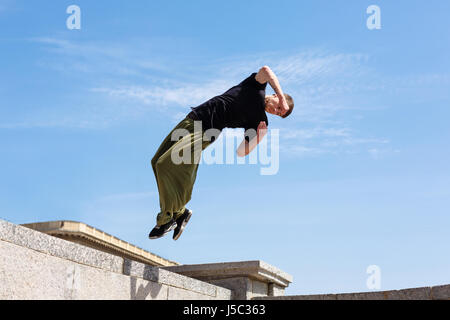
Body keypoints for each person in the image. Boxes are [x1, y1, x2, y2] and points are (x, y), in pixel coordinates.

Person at [149, 65, 294, 240]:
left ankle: (166, 219)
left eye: (278, 114)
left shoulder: (259, 121)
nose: (275, 111)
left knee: (165, 164)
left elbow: (241, 152)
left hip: (205, 131)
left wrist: (258, 139)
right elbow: (266, 70)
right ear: (276, 97)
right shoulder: (256, 87)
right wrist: (281, 95)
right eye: (279, 107)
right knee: (156, 162)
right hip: (190, 120)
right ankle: (180, 213)